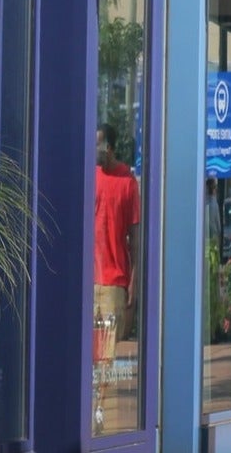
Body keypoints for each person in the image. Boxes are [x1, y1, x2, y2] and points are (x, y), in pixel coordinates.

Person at [94, 124, 141, 374]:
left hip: (114, 282)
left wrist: (133, 283)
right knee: (87, 354)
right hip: (90, 280)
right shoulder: (90, 176)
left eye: (97, 145)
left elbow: (135, 239)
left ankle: (100, 406)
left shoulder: (128, 183)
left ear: (109, 149)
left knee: (105, 357)